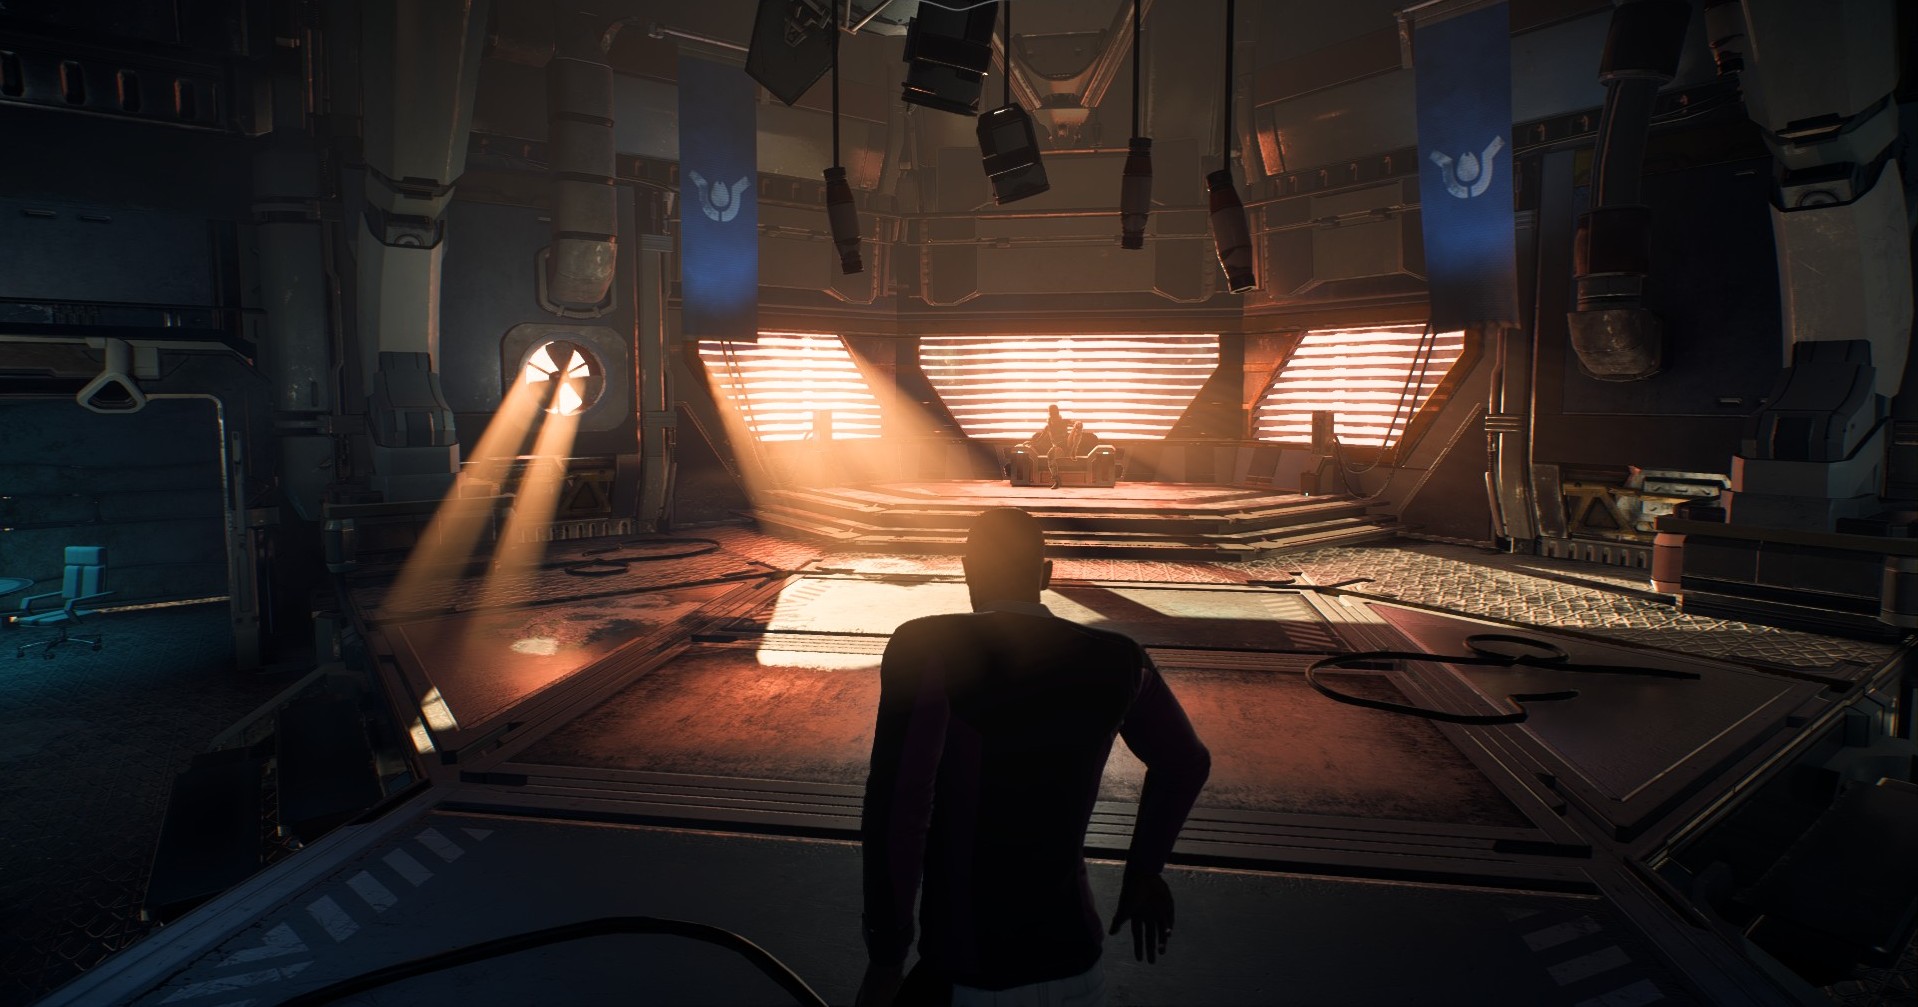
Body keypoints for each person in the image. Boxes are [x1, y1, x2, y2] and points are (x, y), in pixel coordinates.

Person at [858, 508, 1211, 1007]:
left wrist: (887, 954)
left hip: (970, 971)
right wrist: (1144, 871)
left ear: (968, 569)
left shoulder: (926, 646)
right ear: (1045, 574)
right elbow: (1185, 764)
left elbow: (900, 807)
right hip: (1078, 964)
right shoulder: (1121, 658)